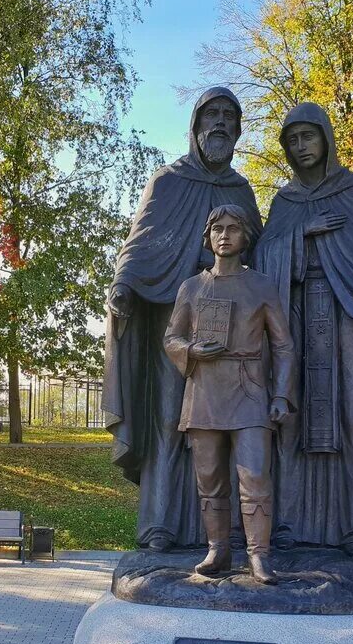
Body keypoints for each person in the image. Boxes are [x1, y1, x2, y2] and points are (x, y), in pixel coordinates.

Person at [103, 87, 263, 550]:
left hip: (231, 331)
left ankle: (228, 533)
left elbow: (262, 248)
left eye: (228, 117)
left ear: (237, 129)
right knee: (170, 421)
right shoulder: (168, 182)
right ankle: (159, 525)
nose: (219, 123)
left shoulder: (240, 190)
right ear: (194, 126)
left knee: (229, 425)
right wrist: (123, 286)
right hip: (175, 320)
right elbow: (141, 243)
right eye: (210, 114)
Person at [254, 103, 353, 556]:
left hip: (349, 314)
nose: (300, 147)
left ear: (326, 138)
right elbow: (264, 259)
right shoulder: (285, 202)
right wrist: (302, 232)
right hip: (297, 311)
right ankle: (285, 525)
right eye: (292, 140)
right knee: (288, 417)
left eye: (308, 136)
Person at [163, 205, 296, 583]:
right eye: (217, 229)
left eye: (233, 229)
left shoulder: (262, 285)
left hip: (250, 389)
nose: (224, 235)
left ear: (245, 237)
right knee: (209, 478)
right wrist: (189, 350)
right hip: (204, 389)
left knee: (254, 475)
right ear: (208, 237)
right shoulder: (192, 287)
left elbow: (284, 345)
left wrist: (281, 395)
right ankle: (218, 550)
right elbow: (171, 337)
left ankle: (259, 556)